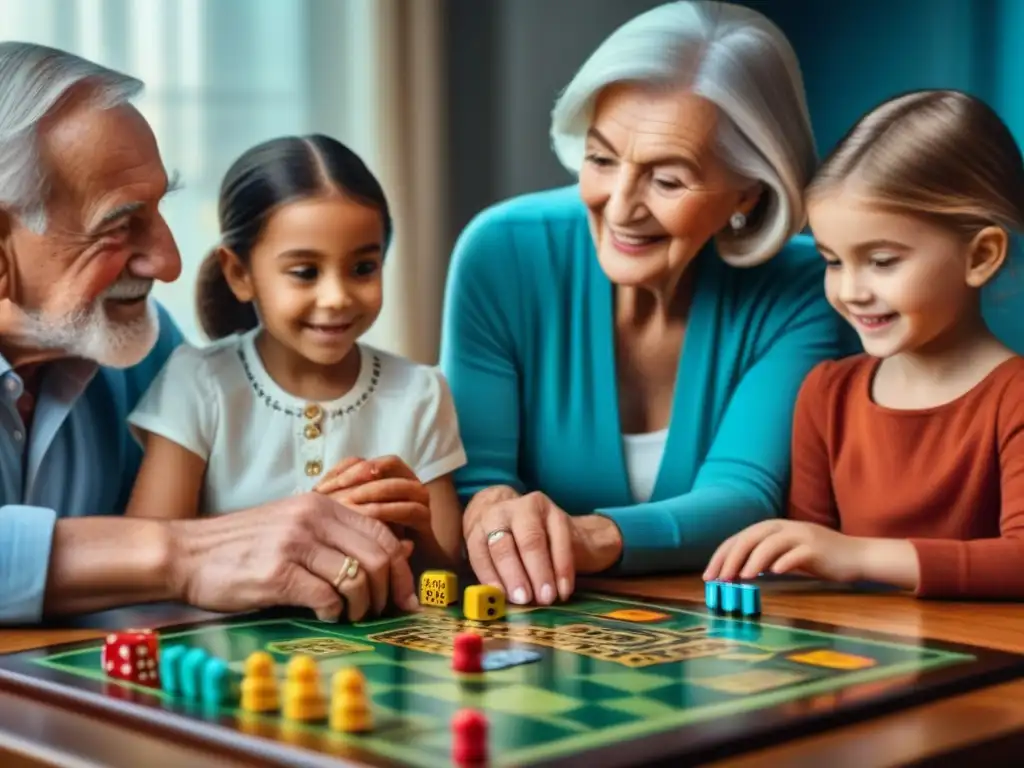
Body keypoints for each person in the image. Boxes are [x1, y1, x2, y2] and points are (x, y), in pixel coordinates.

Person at [439, 0, 856, 606]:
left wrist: (589, 536)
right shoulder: (500, 251)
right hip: (535, 620)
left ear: (749, 189)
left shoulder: (800, 288)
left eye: (667, 179)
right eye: (602, 159)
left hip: (719, 638)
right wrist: (492, 508)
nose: (620, 205)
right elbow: (478, 479)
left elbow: (745, 494)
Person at [0, 42, 418, 626]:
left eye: (159, 211)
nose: (169, 262)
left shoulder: (146, 346)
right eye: (120, 226)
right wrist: (184, 553)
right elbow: (201, 549)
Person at [124, 135, 467, 615]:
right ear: (239, 273)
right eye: (305, 272)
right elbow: (145, 564)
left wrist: (418, 528)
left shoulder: (419, 394)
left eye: (363, 267)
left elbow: (444, 585)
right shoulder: (198, 383)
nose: (337, 297)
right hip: (226, 670)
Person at [703, 89, 1024, 599]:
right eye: (833, 260)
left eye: (881, 261)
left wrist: (855, 554)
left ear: (980, 256)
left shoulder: (1013, 398)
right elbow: (811, 564)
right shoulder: (825, 395)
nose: (851, 290)